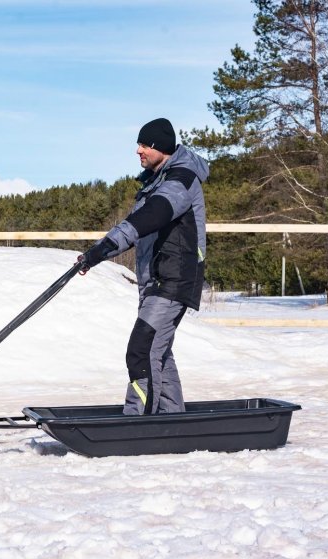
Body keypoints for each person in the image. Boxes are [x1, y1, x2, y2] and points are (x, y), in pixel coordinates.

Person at [78, 118, 208, 415]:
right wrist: (95, 253)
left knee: (141, 350)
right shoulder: (158, 180)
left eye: (144, 145)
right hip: (157, 280)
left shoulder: (180, 179)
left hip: (173, 280)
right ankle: (173, 419)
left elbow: (154, 215)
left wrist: (104, 249)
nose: (138, 151)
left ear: (160, 146)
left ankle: (138, 423)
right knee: (158, 353)